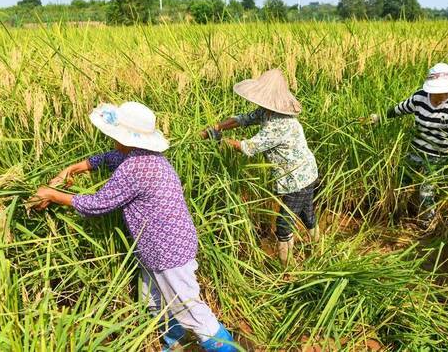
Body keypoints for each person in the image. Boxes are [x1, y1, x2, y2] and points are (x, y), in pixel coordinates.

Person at [30, 102, 236, 352]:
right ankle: (174, 344)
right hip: (160, 246)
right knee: (156, 301)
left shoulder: (135, 169)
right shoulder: (144, 156)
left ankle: (228, 349)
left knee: (190, 310)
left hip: (167, 251)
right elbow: (108, 158)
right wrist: (73, 169)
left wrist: (53, 195)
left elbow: (97, 204)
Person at [200, 69, 319, 266]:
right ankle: (318, 251)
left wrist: (218, 139)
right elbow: (243, 119)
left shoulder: (280, 124)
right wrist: (217, 127)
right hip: (304, 173)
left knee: (283, 225)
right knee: (307, 214)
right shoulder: (267, 111)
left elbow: (248, 148)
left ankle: (287, 270)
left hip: (298, 178)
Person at [371, 63, 448, 228]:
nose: (442, 95)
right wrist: (379, 117)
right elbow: (399, 109)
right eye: (438, 91)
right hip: (416, 149)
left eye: (446, 90)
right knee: (401, 181)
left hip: (438, 156)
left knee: (426, 192)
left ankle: (428, 224)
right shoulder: (420, 98)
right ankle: (396, 214)